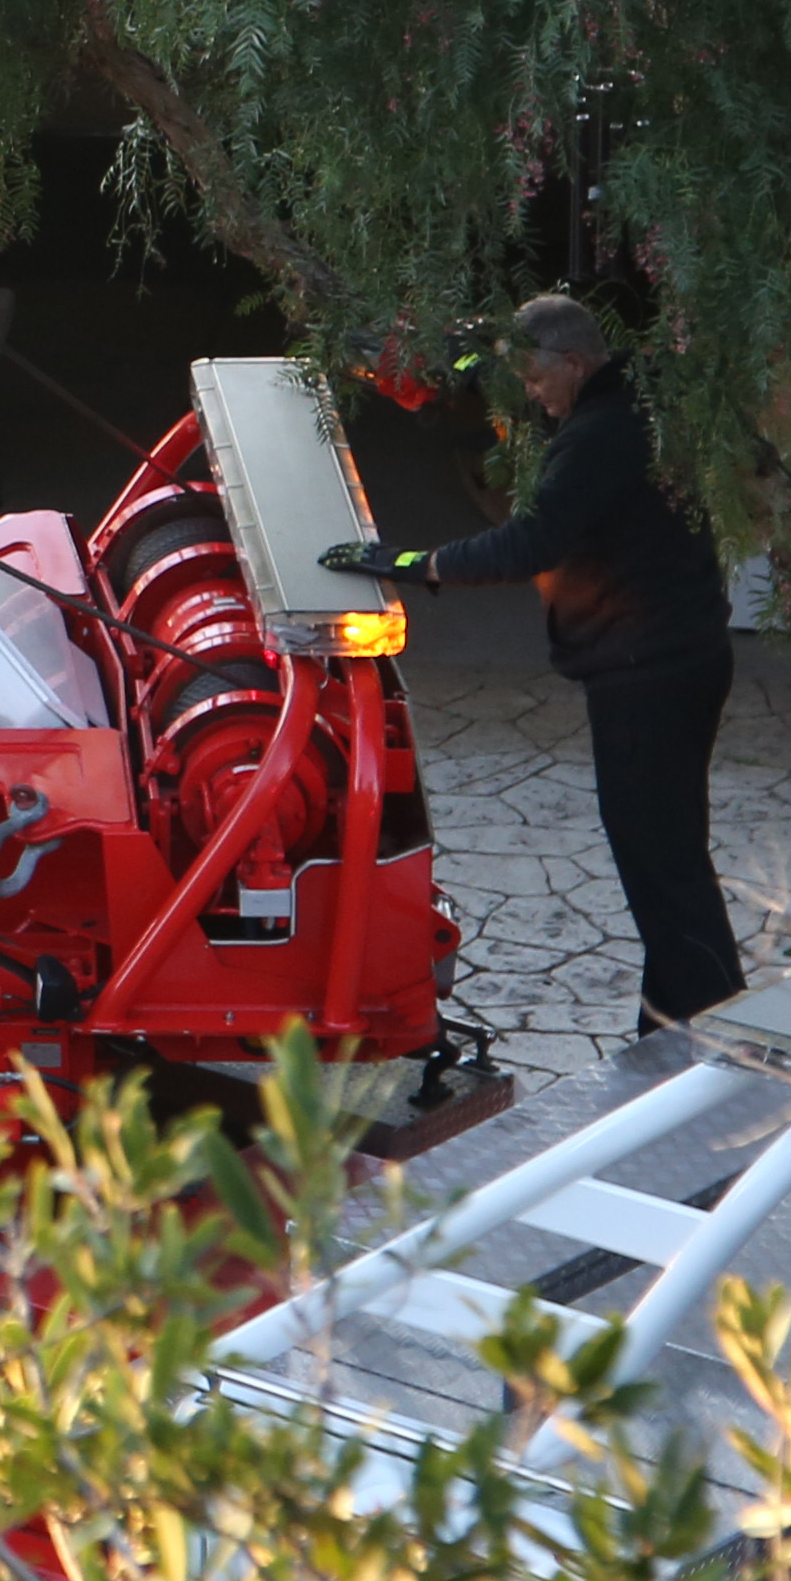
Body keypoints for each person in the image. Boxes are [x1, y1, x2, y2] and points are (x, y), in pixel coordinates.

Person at [322, 292, 742, 1033]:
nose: (531, 395)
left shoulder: (599, 438)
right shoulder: (631, 407)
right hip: (675, 661)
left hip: (649, 675)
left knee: (661, 862)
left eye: (537, 380)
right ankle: (679, 1018)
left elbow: (528, 544)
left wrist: (410, 562)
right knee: (665, 857)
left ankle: (701, 1031)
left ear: (574, 364)